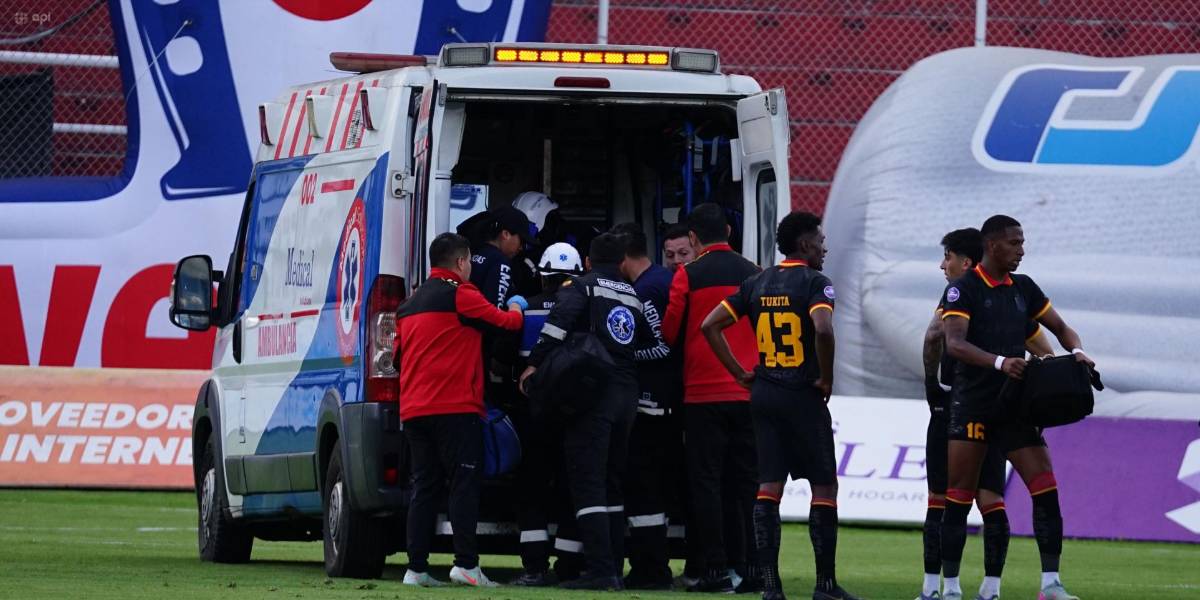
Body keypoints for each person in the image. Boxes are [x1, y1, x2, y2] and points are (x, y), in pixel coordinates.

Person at [700, 211, 860, 600]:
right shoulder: (815, 283)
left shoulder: (756, 282)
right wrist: (826, 376)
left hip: (765, 393)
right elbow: (822, 328)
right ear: (805, 245)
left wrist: (740, 373)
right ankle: (825, 587)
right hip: (802, 394)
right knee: (824, 485)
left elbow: (710, 325)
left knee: (768, 486)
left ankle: (771, 587)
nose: (825, 247)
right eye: (820, 240)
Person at [940, 215, 1095, 600]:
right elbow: (955, 344)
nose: (1021, 250)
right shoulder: (964, 290)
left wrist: (1076, 351)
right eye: (1014, 243)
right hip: (974, 404)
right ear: (992, 246)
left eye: (1022, 243)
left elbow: (1061, 328)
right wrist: (999, 362)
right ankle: (952, 587)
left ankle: (1051, 585)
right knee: (959, 496)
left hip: (1015, 405)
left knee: (1045, 487)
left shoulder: (1023, 289)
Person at [521, 233, 670, 591]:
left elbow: (555, 327)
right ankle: (613, 569)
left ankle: (602, 571)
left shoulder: (582, 287)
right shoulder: (632, 294)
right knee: (612, 482)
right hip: (627, 395)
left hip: (592, 396)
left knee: (587, 482)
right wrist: (623, 358)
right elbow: (657, 345)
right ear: (621, 262)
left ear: (588, 261)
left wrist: (535, 366)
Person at [919, 228, 1053, 600]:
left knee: (941, 498)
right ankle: (992, 588)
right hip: (998, 408)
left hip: (957, 407)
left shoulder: (959, 295)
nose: (943, 265)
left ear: (966, 262)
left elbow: (933, 338)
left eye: (947, 256)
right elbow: (1042, 347)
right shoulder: (1009, 299)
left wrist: (933, 384)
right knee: (991, 498)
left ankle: (936, 588)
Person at [394, 232, 526, 588]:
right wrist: (516, 304)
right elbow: (507, 324)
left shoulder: (409, 304)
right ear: (461, 262)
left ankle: (416, 568)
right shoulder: (462, 294)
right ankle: (466, 564)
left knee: (424, 488)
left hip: (414, 410)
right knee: (463, 485)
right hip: (455, 406)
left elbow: (396, 357)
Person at [662, 203, 761, 593]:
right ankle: (754, 569)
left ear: (693, 239)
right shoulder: (753, 272)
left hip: (702, 394)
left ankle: (714, 570)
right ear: (729, 232)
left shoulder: (688, 275)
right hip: (748, 390)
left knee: (706, 483)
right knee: (750, 485)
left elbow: (671, 332)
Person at [508, 242, 585, 587]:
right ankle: (570, 565)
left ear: (542, 276)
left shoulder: (528, 310)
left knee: (532, 489)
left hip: (532, 413)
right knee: (572, 486)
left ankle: (534, 567)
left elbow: (502, 359)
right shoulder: (585, 310)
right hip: (574, 413)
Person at [611, 223, 683, 590]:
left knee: (645, 487)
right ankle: (651, 565)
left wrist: (621, 356)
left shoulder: (648, 290)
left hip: (654, 404)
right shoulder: (655, 282)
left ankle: (650, 569)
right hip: (662, 402)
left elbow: (663, 344)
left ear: (623, 259)